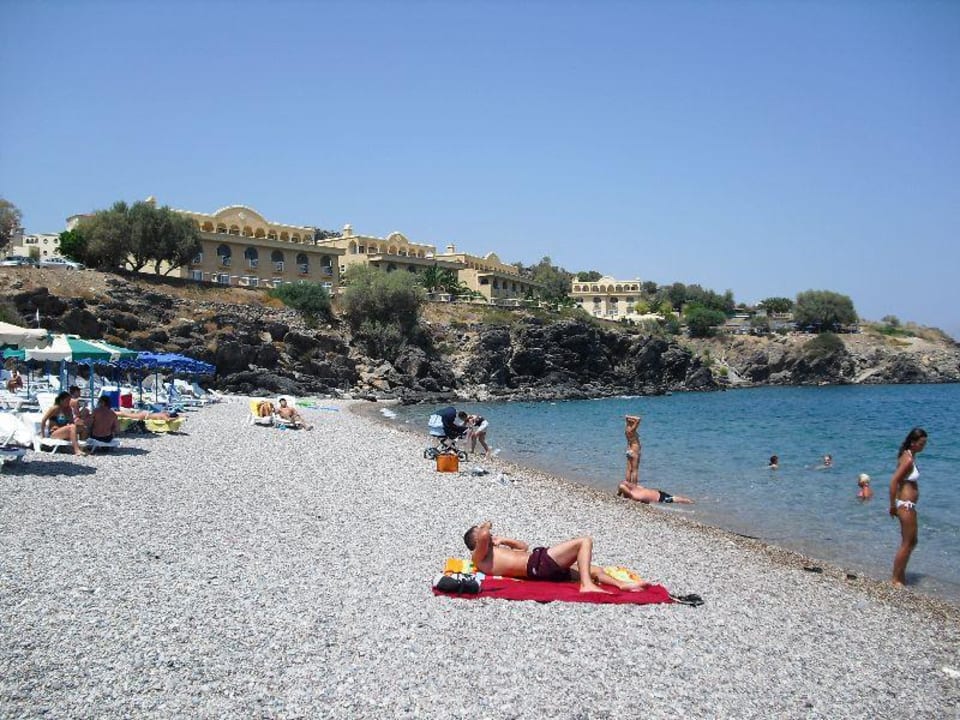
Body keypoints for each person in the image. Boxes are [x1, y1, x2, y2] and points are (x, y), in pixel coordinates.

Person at [463, 521, 646, 594]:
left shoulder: (493, 552)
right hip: (538, 564)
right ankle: (586, 585)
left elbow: (523, 547)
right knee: (584, 542)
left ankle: (620, 584)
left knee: (595, 570)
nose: (487, 533)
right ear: (476, 542)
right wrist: (485, 526)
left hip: (540, 566)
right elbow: (484, 535)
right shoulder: (478, 558)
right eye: (479, 532)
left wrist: (503, 540)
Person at [890, 427, 928, 587]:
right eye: (921, 443)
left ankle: (901, 575)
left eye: (924, 443)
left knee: (912, 541)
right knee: (908, 543)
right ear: (913, 442)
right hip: (905, 505)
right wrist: (892, 505)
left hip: (908, 505)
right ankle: (896, 578)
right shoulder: (908, 460)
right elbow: (893, 481)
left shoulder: (908, 456)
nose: (923, 446)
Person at [40, 391, 85, 455]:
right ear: (61, 400)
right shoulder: (55, 408)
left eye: (69, 400)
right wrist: (43, 435)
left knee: (82, 427)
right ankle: (76, 450)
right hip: (54, 433)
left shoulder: (69, 409)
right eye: (67, 400)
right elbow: (43, 420)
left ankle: (82, 448)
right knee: (72, 427)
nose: (69, 402)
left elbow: (71, 422)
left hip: (64, 431)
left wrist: (77, 422)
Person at [617, 482, 694, 505]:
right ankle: (691, 502)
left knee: (678, 499)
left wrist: (618, 494)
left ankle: (691, 502)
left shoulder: (634, 493)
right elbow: (622, 485)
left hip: (660, 497)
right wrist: (619, 493)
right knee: (679, 499)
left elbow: (622, 485)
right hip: (659, 496)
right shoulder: (635, 491)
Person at [624, 415, 641, 485]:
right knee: (635, 470)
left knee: (629, 470)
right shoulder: (632, 430)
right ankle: (634, 487)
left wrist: (627, 418)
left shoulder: (626, 430)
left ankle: (627, 485)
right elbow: (638, 419)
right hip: (634, 451)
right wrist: (629, 416)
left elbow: (627, 420)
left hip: (629, 450)